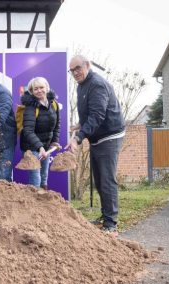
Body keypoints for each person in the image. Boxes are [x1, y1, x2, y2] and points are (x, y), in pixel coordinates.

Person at [65, 55, 125, 235]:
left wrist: (78, 138)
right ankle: (105, 216)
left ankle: (111, 223)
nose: (75, 72)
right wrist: (79, 125)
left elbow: (97, 116)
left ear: (87, 65)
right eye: (72, 70)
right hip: (97, 137)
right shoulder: (82, 85)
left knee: (107, 180)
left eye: (78, 68)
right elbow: (89, 114)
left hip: (110, 135)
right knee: (99, 180)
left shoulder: (97, 84)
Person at [19, 77, 61, 189]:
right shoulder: (30, 107)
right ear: (31, 91)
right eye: (35, 89)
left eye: (41, 87)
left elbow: (57, 125)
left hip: (46, 146)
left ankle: (43, 203)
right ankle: (34, 203)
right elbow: (28, 131)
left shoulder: (54, 104)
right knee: (35, 178)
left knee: (44, 176)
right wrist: (39, 148)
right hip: (32, 147)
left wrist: (54, 141)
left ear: (47, 88)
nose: (39, 91)